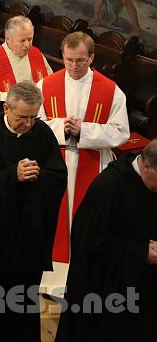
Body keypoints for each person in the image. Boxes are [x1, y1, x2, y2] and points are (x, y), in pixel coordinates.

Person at [0, 81, 67, 342]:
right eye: (22, 117)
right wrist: (11, 176)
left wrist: (38, 176)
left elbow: (57, 176)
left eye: (33, 117)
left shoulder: (41, 134)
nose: (28, 124)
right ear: (6, 108)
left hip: (26, 242)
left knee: (23, 306)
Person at [37, 32, 129, 293]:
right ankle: (52, 281)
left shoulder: (111, 91)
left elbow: (120, 132)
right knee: (54, 220)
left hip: (92, 162)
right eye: (68, 60)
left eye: (80, 61)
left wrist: (84, 131)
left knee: (86, 221)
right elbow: (35, 123)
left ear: (91, 57)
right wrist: (60, 127)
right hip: (56, 163)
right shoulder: (46, 85)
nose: (73, 67)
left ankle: (82, 279)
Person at [55, 139, 157, 342]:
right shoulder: (110, 187)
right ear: (146, 166)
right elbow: (89, 242)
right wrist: (140, 252)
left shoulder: (150, 182)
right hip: (106, 297)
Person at [0, 15, 51, 114]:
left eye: (30, 39)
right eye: (22, 41)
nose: (27, 45)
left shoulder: (36, 54)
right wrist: (14, 98)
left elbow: (49, 84)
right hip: (7, 120)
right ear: (7, 39)